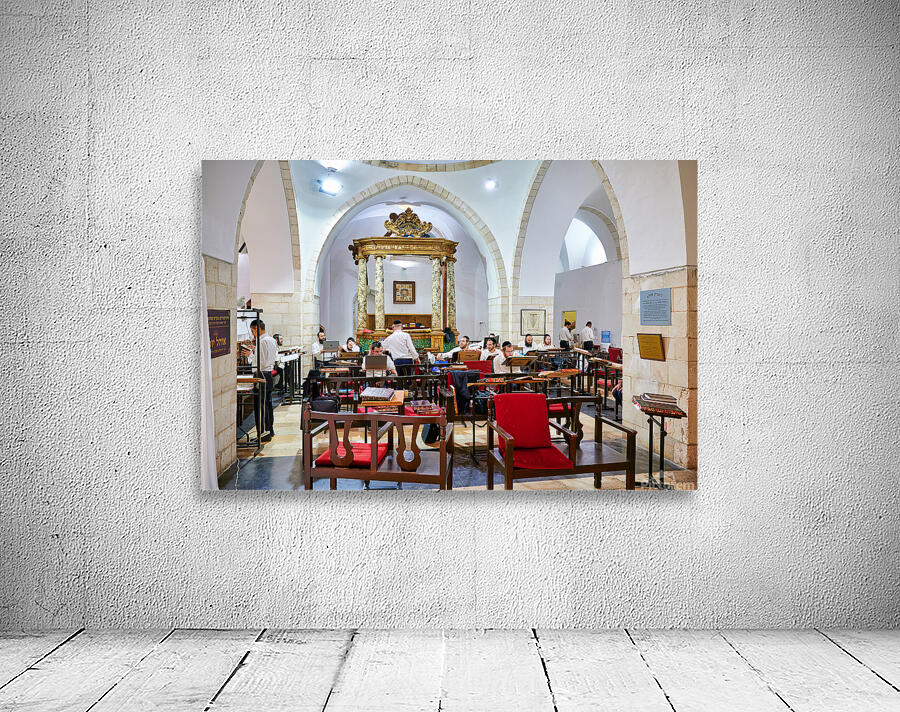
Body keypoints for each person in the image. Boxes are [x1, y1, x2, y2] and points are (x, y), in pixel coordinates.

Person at [249, 319, 278, 442]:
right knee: (268, 404)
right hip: (269, 374)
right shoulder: (271, 340)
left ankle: (263, 433)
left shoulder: (261, 342)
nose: (252, 334)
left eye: (252, 331)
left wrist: (250, 355)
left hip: (261, 374)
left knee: (261, 405)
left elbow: (259, 363)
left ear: (257, 328)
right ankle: (270, 429)